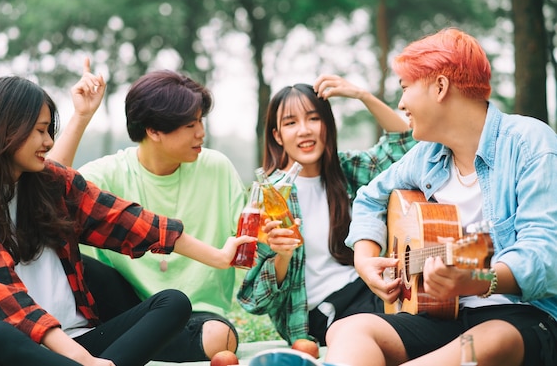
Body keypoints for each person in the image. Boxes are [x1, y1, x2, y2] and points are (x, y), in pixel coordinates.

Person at [0, 68, 254, 366]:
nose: (48, 142)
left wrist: (220, 256)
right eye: (41, 131)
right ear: (7, 132)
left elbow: (130, 223)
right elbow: (6, 301)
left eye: (50, 131)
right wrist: (85, 362)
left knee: (173, 303)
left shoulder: (54, 184)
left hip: (81, 343)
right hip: (24, 352)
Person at [324, 28, 557, 366]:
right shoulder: (428, 156)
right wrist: (364, 260)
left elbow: (545, 258)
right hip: (444, 317)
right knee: (347, 330)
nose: (401, 103)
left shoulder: (530, 144)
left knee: (490, 341)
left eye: (404, 88)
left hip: (522, 318)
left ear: (440, 87)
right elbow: (370, 198)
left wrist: (477, 281)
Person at [47, 69, 248, 361]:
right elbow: (47, 189)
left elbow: (250, 243)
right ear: (154, 130)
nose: (201, 132)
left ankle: (97, 350)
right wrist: (81, 116)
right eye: (191, 124)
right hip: (127, 308)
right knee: (65, 259)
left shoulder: (216, 167)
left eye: (201, 121)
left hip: (196, 313)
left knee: (221, 338)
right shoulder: (110, 172)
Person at [236, 78, 417, 346]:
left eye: (313, 119)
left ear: (327, 125)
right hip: (321, 314)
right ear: (277, 135)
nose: (304, 131)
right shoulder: (269, 198)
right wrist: (282, 256)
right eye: (290, 123)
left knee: (430, 313)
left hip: (370, 288)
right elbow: (255, 299)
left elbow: (406, 144)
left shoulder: (346, 170)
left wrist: (361, 95)